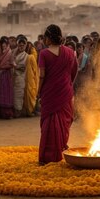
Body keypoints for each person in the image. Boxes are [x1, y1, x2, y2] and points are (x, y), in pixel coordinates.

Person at [38, 24, 78, 164]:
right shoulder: (70, 52)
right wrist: (67, 85)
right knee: (63, 124)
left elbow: (42, 76)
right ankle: (60, 150)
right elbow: (74, 71)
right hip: (65, 93)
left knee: (50, 126)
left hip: (50, 93)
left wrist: (39, 92)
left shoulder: (44, 54)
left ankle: (49, 157)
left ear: (48, 38)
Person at [0, 37, 15, 119]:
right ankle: (2, 113)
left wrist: (2, 68)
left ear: (7, 44)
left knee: (7, 93)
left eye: (5, 44)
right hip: (0, 76)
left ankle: (8, 113)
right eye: (2, 44)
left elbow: (12, 64)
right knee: (1, 93)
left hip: (7, 75)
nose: (3, 45)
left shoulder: (10, 53)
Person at [13, 37, 30, 118]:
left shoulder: (27, 56)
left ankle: (19, 111)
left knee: (19, 95)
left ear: (25, 46)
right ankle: (16, 111)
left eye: (23, 46)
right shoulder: (15, 54)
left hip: (21, 77)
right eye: (19, 46)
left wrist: (15, 66)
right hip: (14, 77)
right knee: (14, 95)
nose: (21, 47)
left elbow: (23, 67)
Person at [23, 41, 39, 117]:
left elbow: (35, 68)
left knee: (30, 93)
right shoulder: (29, 56)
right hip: (28, 78)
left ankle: (30, 110)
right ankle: (29, 111)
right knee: (28, 93)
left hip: (30, 78)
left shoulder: (31, 56)